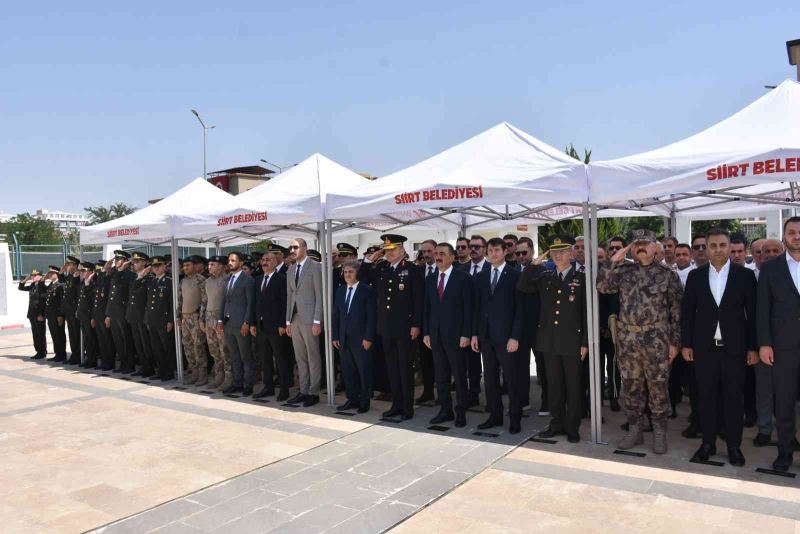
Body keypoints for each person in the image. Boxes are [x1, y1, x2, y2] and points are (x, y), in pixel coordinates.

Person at [597, 229, 682, 454]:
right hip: (628, 340)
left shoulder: (667, 275)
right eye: (636, 244)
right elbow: (602, 286)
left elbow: (676, 312)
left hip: (657, 341)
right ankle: (634, 429)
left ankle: (659, 431)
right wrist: (613, 260)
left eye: (645, 243)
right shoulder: (624, 271)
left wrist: (675, 343)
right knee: (631, 386)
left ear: (656, 248)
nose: (640, 247)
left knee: (658, 387)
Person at [681, 228, 757, 466]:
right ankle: (708, 444)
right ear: (706, 248)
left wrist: (753, 347)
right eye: (712, 245)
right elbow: (687, 314)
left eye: (722, 245)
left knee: (734, 399)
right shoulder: (696, 276)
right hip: (704, 349)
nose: (717, 250)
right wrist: (686, 343)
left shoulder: (744, 276)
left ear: (728, 246)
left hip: (734, 349)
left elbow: (753, 315)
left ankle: (734, 446)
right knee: (706, 398)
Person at [518, 235, 587, 442]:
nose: (558, 256)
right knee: (554, 385)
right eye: (554, 252)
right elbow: (522, 287)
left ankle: (572, 426)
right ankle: (556, 423)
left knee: (573, 386)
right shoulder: (545, 276)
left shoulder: (581, 278)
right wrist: (532, 265)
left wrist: (585, 342)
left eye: (562, 251)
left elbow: (585, 313)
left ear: (571, 253)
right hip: (548, 340)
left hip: (571, 341)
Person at [358, 234, 423, 420]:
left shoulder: (412, 269)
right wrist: (370, 258)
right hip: (386, 327)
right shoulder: (382, 268)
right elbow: (362, 277)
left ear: (402, 249)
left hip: (405, 328)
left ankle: (407, 408)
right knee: (392, 369)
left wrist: (416, 324)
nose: (389, 253)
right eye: (386, 250)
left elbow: (418, 300)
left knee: (405, 369)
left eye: (393, 249)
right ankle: (396, 404)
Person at [757, 216, 800, 472]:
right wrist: (764, 344)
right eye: (792, 232)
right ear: (785, 236)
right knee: (783, 402)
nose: (797, 236)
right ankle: (785, 452)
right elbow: (763, 310)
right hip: (783, 348)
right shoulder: (771, 269)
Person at [472, 238, 523, 433]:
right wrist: (475, 334)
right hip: (486, 337)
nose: (492, 253)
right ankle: (495, 415)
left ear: (504, 252)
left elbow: (520, 310)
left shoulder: (514, 275)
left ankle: (515, 418)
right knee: (490, 379)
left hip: (506, 337)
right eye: (490, 250)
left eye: (496, 250)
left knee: (511, 379)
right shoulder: (482, 277)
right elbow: (478, 308)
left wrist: (515, 337)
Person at [423, 243, 473, 427]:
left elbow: (469, 309)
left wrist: (466, 334)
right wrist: (426, 332)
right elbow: (427, 309)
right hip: (435, 336)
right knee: (441, 375)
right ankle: (445, 410)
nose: (438, 257)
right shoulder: (430, 279)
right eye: (436, 253)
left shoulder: (463, 278)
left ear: (452, 257)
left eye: (442, 253)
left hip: (456, 336)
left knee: (459, 375)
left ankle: (461, 411)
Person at [332, 260, 376, 413]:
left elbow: (371, 317)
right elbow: (336, 315)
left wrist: (368, 337)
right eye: (345, 272)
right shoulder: (340, 291)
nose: (347, 275)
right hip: (344, 339)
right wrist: (335, 335)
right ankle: (352, 399)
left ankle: (364, 401)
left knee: (363, 371)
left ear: (357, 273)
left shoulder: (367, 290)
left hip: (361, 339)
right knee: (348, 371)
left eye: (350, 272)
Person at [285, 238, 324, 407]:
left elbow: (320, 295)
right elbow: (290, 296)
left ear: (305, 248)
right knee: (300, 357)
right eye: (291, 247)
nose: (292, 250)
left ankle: (314, 392)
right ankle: (303, 390)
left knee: (313, 356)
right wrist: (287, 321)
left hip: (310, 319)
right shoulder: (291, 269)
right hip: (295, 319)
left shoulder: (315, 267)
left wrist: (317, 320)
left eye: (295, 247)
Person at [217, 252, 255, 395]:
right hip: (228, 323)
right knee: (234, 355)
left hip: (241, 324)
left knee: (246, 355)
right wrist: (220, 320)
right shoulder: (228, 279)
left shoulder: (248, 280)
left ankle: (248, 384)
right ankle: (237, 382)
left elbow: (250, 303)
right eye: (229, 260)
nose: (230, 263)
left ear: (241, 262)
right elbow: (224, 301)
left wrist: (247, 322)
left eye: (233, 260)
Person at [251, 252, 288, 399]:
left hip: (276, 326)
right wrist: (253, 323)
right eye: (263, 259)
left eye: (268, 260)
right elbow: (255, 303)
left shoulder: (281, 279)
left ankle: (284, 389)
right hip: (261, 326)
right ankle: (268, 387)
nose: (265, 262)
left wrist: (282, 323)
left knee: (280, 359)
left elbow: (285, 304)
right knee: (265, 359)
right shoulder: (258, 279)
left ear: (276, 262)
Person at [201, 256, 232, 390]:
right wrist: (201, 319)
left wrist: (225, 319)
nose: (209, 267)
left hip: (221, 318)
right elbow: (204, 301)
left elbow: (230, 301)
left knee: (224, 349)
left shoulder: (228, 280)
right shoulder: (207, 281)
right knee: (213, 349)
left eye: (212, 264)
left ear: (220, 266)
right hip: (209, 318)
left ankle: (229, 376)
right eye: (209, 265)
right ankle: (219, 375)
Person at [515, 236, 538, 412]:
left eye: (524, 252)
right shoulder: (512, 271)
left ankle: (547, 403)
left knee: (544, 368)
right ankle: (522, 401)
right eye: (518, 253)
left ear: (532, 251)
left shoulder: (542, 270)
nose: (521, 256)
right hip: (519, 329)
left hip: (538, 327)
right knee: (520, 369)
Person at [177, 256, 208, 385]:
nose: (185, 268)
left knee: (198, 346)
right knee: (187, 346)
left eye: (188, 265)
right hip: (185, 318)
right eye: (184, 266)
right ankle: (194, 371)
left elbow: (205, 301)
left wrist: (201, 318)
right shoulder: (183, 281)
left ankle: (202, 374)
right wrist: (179, 316)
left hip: (195, 317)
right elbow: (180, 300)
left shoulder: (201, 280)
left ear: (195, 266)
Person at [105, 250, 137, 373]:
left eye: (119, 260)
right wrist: (108, 314)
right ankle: (123, 364)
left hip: (123, 312)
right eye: (116, 260)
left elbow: (129, 296)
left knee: (126, 339)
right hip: (114, 312)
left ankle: (129, 365)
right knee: (118, 339)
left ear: (125, 261)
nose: (117, 262)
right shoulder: (115, 273)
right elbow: (110, 295)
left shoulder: (130, 275)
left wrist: (121, 271)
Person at [144, 257, 175, 381]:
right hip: (152, 319)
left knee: (166, 346)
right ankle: (161, 370)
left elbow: (172, 303)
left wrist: (170, 320)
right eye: (153, 266)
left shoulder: (169, 282)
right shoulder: (151, 281)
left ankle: (168, 372)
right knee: (156, 347)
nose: (156, 268)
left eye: (158, 265)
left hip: (164, 320)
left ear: (164, 266)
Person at [127, 252, 154, 377]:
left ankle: (149, 367)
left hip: (143, 316)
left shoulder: (149, 279)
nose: (134, 264)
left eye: (137, 262)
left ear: (144, 263)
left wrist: (140, 278)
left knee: (145, 343)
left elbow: (139, 295)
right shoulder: (135, 277)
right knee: (138, 343)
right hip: (134, 316)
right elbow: (131, 294)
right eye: (133, 262)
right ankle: (144, 366)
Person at [19, 269, 47, 359]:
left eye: (35, 275)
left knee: (40, 333)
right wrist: (25, 279)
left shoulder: (42, 286)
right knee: (35, 333)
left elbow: (42, 302)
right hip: (32, 313)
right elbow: (21, 287)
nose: (32, 277)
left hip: (39, 314)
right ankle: (38, 350)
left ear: (40, 276)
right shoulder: (32, 286)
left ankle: (42, 351)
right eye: (32, 275)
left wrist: (41, 314)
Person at [93, 261, 116, 370]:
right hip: (98, 315)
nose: (98, 274)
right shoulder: (99, 282)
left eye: (100, 271)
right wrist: (94, 316)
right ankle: (104, 361)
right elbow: (96, 301)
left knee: (107, 340)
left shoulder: (108, 281)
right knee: (101, 340)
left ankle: (109, 362)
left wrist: (108, 315)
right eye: (97, 272)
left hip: (105, 315)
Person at [77, 262, 99, 368]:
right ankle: (88, 358)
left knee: (91, 338)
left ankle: (92, 360)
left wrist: (93, 317)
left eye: (85, 271)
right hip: (83, 315)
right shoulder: (83, 283)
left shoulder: (93, 284)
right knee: (86, 338)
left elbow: (92, 301)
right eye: (82, 271)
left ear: (91, 272)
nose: (83, 273)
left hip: (89, 315)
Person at [61, 256, 82, 364]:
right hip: (68, 311)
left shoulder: (78, 277)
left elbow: (77, 294)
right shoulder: (69, 276)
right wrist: (61, 272)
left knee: (76, 334)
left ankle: (78, 355)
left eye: (69, 264)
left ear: (74, 265)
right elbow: (61, 281)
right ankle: (74, 355)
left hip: (74, 311)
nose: (67, 266)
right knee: (71, 334)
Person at [43, 266, 67, 361]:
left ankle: (62, 354)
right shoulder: (51, 285)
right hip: (50, 315)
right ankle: (57, 353)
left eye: (51, 273)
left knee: (59, 335)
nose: (49, 275)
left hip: (57, 315)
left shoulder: (60, 285)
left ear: (56, 274)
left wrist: (61, 315)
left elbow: (61, 302)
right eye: (49, 273)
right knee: (54, 335)